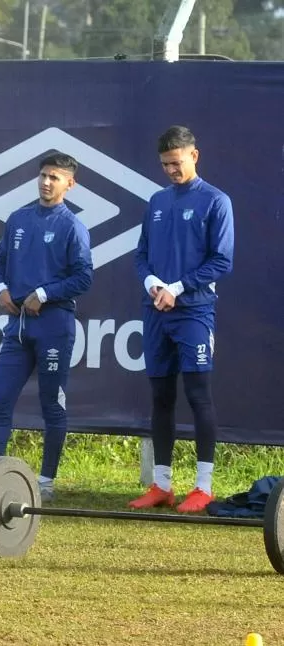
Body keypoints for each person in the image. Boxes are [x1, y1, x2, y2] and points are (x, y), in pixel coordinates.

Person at [0, 152, 93, 504]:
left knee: (51, 406)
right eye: (43, 175)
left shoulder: (73, 227)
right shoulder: (18, 219)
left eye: (55, 177)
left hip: (55, 326)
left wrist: (44, 293)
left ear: (70, 184)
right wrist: (0, 289)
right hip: (17, 327)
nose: (46, 182)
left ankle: (45, 483)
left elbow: (83, 277)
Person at [129, 125, 234, 513]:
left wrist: (178, 287)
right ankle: (162, 485)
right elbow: (141, 254)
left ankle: (203, 487)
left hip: (194, 312)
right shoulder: (157, 201)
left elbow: (222, 259)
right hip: (155, 310)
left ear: (194, 155)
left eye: (177, 162)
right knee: (160, 397)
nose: (172, 170)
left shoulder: (216, 201)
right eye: (165, 164)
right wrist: (155, 283)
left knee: (197, 395)